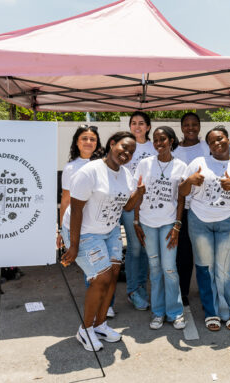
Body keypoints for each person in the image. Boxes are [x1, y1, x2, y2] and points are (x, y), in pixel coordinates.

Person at [61, 131, 144, 351]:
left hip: (110, 231)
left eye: (132, 151)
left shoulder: (126, 174)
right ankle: (85, 329)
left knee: (113, 275)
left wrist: (139, 193)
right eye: (124, 147)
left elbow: (125, 207)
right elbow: (76, 210)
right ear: (112, 144)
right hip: (85, 232)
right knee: (101, 278)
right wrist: (74, 245)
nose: (127, 153)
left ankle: (100, 324)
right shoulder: (90, 171)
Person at [179, 126, 230, 331]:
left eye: (220, 139)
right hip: (199, 221)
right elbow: (183, 191)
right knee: (205, 268)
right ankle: (211, 311)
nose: (217, 144)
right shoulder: (198, 163)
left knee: (226, 270)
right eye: (212, 142)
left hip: (227, 221)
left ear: (228, 140)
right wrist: (190, 180)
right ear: (208, 146)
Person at [57, 125, 117, 318]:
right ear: (77, 142)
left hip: (105, 223)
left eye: (92, 139)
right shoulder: (71, 168)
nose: (88, 142)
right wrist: (61, 230)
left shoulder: (105, 163)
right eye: (84, 138)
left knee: (110, 268)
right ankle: (96, 305)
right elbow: (66, 200)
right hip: (82, 227)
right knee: (94, 271)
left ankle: (107, 305)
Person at [133, 126, 187, 330]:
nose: (158, 143)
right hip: (147, 223)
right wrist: (136, 221)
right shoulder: (145, 164)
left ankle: (175, 312)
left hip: (168, 223)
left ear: (171, 141)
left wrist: (177, 225)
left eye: (163, 139)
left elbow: (181, 199)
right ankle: (158, 312)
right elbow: (138, 194)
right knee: (155, 269)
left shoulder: (181, 166)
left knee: (169, 268)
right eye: (155, 140)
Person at [121, 111, 157, 310]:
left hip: (150, 206)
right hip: (129, 204)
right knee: (134, 248)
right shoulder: (125, 146)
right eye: (133, 123)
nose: (137, 126)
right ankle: (133, 290)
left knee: (144, 248)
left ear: (148, 127)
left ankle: (141, 287)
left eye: (141, 123)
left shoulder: (155, 146)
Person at [173, 112, 210, 306]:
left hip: (204, 208)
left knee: (204, 254)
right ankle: (183, 291)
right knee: (184, 254)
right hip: (183, 208)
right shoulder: (175, 150)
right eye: (186, 125)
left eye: (194, 124)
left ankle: (208, 294)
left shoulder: (207, 147)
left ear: (199, 126)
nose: (190, 128)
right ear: (181, 127)